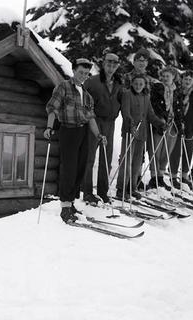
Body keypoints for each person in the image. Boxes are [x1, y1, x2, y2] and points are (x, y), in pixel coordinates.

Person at [44, 58, 107, 223]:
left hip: (83, 132)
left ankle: (71, 203)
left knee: (80, 168)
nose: (84, 76)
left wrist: (98, 135)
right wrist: (49, 127)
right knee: (69, 169)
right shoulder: (63, 87)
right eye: (81, 72)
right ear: (73, 71)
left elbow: (91, 117)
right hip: (68, 131)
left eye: (86, 74)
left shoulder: (87, 95)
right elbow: (52, 107)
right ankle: (65, 208)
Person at [116, 73, 166, 200]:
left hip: (142, 133)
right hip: (130, 131)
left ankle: (132, 187)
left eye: (141, 84)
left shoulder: (146, 96)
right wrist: (131, 125)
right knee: (127, 161)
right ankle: (121, 188)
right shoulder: (127, 94)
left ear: (145, 85)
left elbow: (150, 114)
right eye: (136, 83)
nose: (138, 86)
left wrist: (160, 123)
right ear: (132, 83)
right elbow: (125, 112)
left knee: (137, 163)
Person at [82, 52, 123, 204]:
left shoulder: (119, 83)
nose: (111, 67)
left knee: (106, 158)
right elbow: (83, 101)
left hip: (110, 123)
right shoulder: (92, 81)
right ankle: (86, 192)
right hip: (94, 121)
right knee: (90, 157)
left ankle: (103, 192)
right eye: (108, 64)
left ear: (117, 66)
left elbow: (122, 101)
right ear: (103, 64)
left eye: (114, 65)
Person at [148, 66, 184, 190]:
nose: (164, 78)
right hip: (160, 123)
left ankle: (161, 176)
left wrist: (180, 125)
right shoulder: (157, 88)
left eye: (167, 76)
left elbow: (179, 109)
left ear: (173, 77)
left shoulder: (177, 91)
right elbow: (154, 105)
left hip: (172, 125)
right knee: (156, 150)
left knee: (167, 151)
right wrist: (161, 119)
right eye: (163, 76)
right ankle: (154, 177)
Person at [170, 70, 193, 189]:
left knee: (188, 153)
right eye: (185, 79)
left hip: (191, 128)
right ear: (182, 79)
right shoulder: (176, 92)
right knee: (175, 152)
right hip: (177, 126)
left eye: (190, 80)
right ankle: (173, 176)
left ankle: (184, 176)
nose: (187, 81)